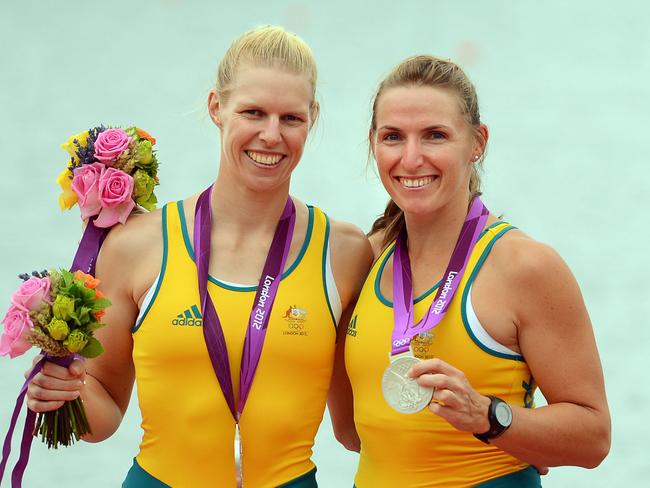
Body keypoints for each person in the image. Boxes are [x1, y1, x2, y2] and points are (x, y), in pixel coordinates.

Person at [25, 26, 372, 487]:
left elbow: (356, 431)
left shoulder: (345, 254)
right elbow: (104, 414)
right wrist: (65, 391)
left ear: (313, 117)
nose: (271, 135)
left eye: (291, 118)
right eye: (253, 112)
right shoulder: (138, 245)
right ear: (216, 108)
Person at [330, 55, 611, 487]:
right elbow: (351, 431)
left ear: (477, 142)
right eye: (393, 137)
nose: (411, 157)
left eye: (435, 136)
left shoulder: (524, 267)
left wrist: (491, 418)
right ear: (373, 143)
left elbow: (593, 438)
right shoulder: (365, 260)